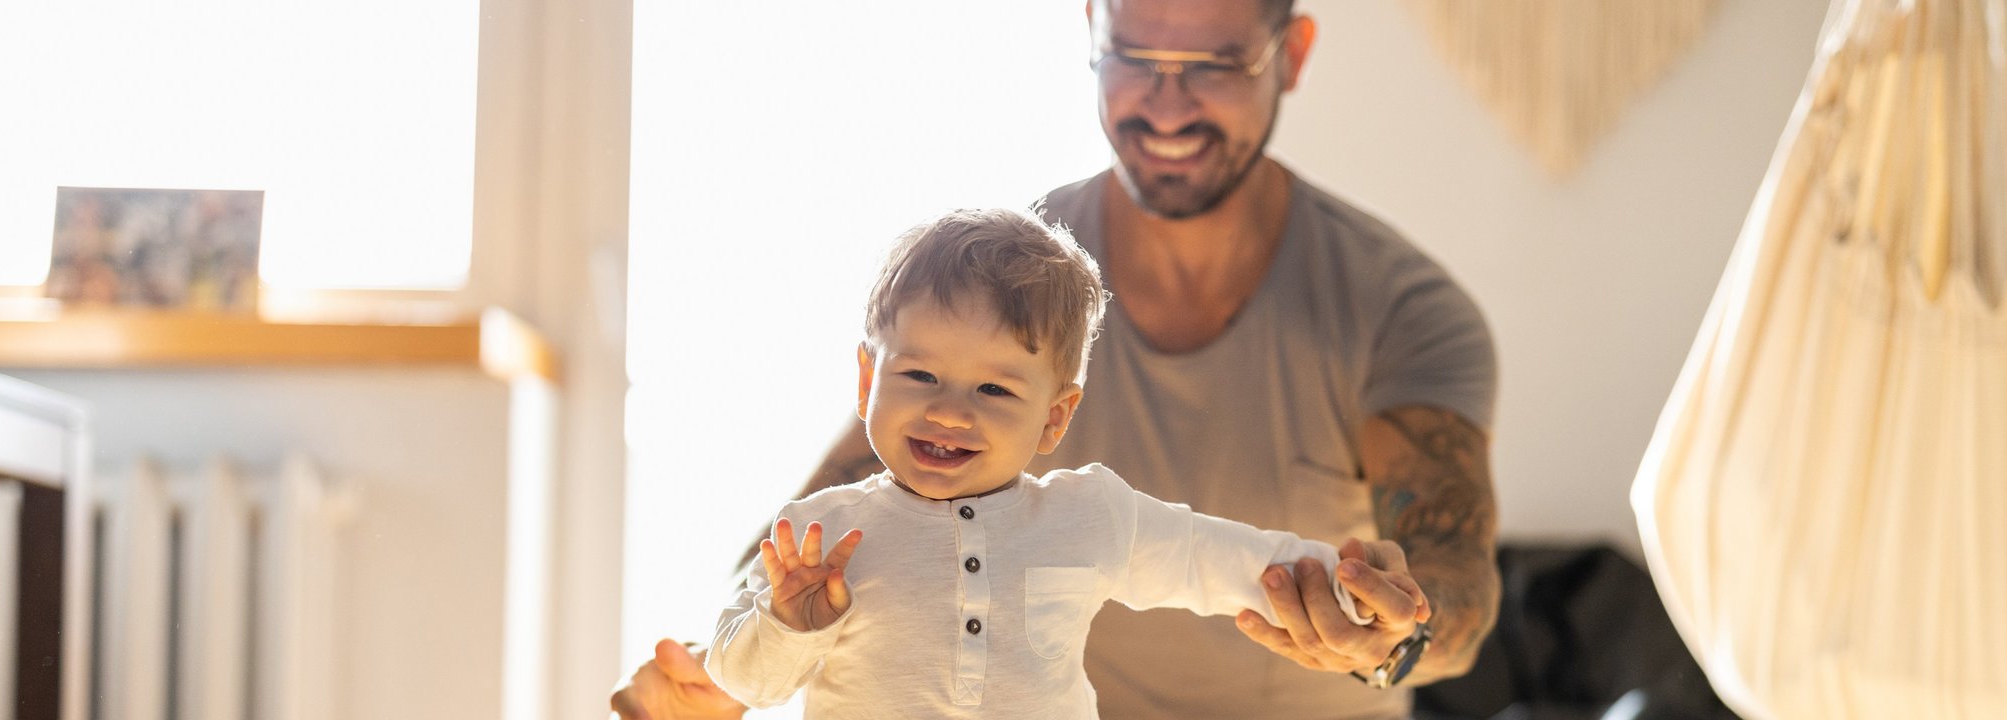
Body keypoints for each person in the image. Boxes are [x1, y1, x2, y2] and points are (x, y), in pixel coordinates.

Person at [615, 0, 1501, 717]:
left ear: (1293, 53)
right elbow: (828, 522)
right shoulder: (1004, 278)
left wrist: (1394, 632)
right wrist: (714, 662)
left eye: (1215, 65)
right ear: (1090, 28)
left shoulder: (1400, 309)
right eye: (1133, 54)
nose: (1164, 102)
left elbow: (1453, 582)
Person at [704, 208, 1422, 718]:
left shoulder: (1086, 515)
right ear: (867, 383)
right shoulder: (817, 537)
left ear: (1055, 416)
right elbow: (743, 682)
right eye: (919, 376)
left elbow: (1211, 557)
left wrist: (1341, 584)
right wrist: (789, 621)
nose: (950, 411)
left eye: (993, 388)